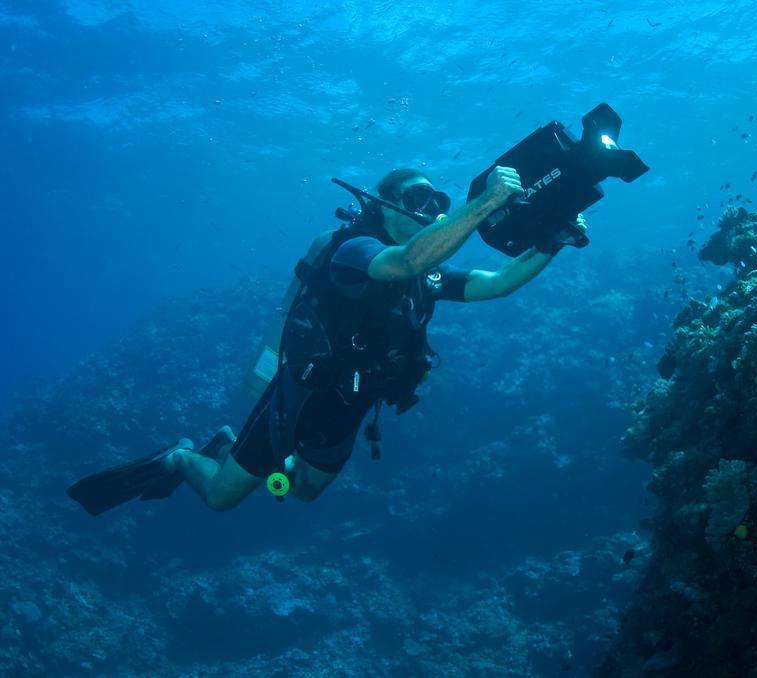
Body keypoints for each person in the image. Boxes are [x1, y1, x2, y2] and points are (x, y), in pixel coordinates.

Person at [67, 165, 585, 514]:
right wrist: (481, 204)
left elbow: (497, 285)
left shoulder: (426, 273)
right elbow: (405, 260)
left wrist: (551, 243)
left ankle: (231, 447)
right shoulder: (354, 250)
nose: (429, 208)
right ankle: (181, 457)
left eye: (437, 201)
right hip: (298, 398)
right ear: (380, 204)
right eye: (416, 198)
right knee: (225, 498)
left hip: (350, 407)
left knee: (303, 491)